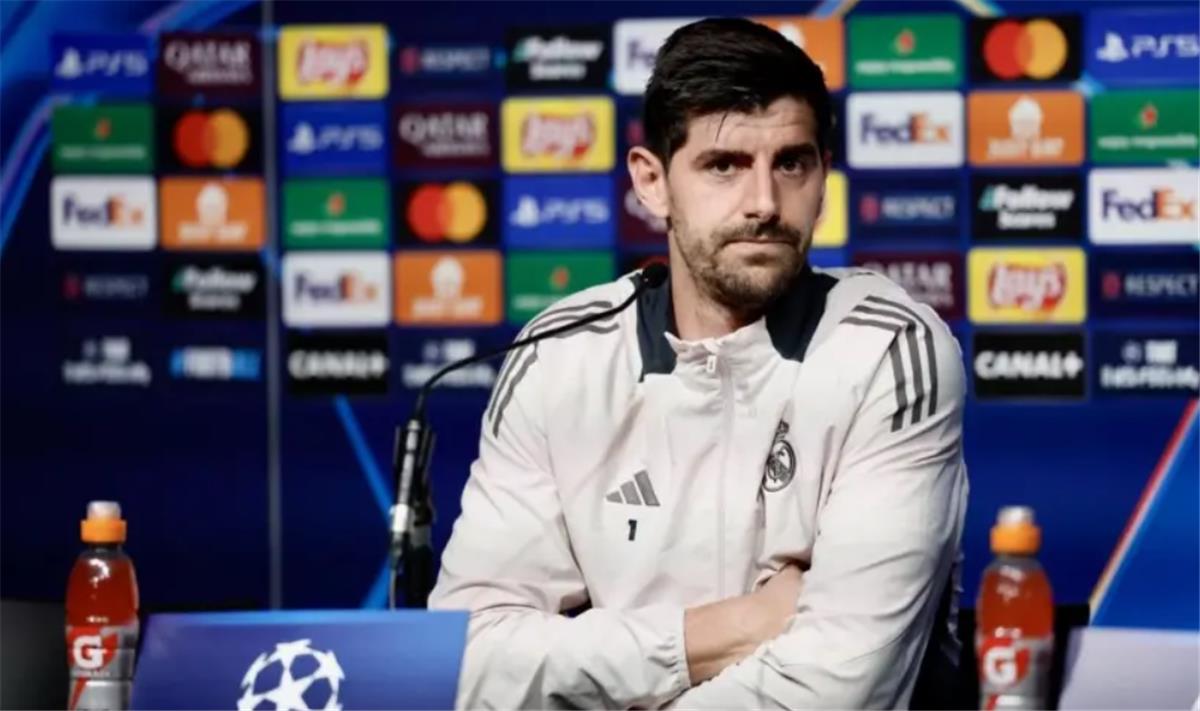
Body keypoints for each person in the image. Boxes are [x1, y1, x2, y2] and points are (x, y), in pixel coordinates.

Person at [428, 17, 968, 709]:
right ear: (652, 182)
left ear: (824, 176)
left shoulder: (886, 350)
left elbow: (839, 688)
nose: (765, 203)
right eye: (724, 165)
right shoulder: (558, 355)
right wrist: (726, 629)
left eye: (792, 164)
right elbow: (467, 663)